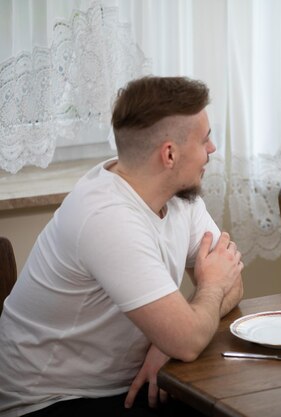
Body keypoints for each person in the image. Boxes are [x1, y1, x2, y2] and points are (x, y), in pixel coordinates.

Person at [0, 76, 244, 416]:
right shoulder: (107, 217)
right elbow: (201, 317)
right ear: (169, 154)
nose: (212, 149)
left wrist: (171, 339)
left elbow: (233, 281)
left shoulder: (179, 195)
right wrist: (193, 315)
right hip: (50, 399)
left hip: (128, 384)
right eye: (205, 140)